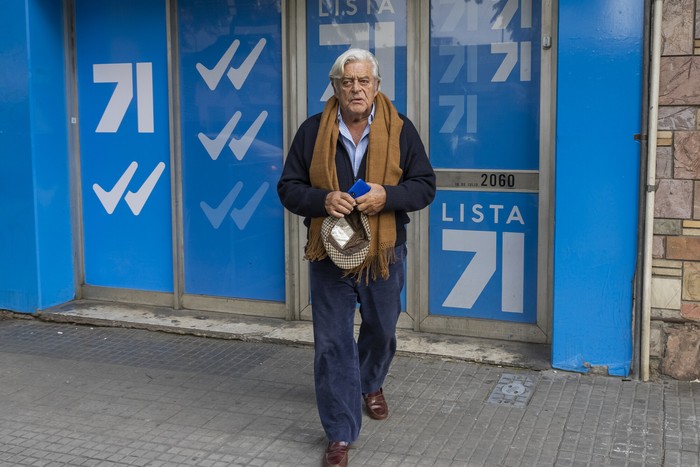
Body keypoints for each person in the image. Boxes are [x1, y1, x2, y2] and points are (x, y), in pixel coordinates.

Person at [277, 48, 435, 467]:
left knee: (382, 329)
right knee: (331, 343)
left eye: (364, 81)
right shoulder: (313, 131)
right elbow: (288, 188)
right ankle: (340, 433)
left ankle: (371, 382)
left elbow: (425, 185)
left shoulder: (401, 130)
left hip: (384, 253)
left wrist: (389, 196)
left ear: (377, 85)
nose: (356, 89)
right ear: (335, 87)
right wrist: (321, 198)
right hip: (329, 253)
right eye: (347, 82)